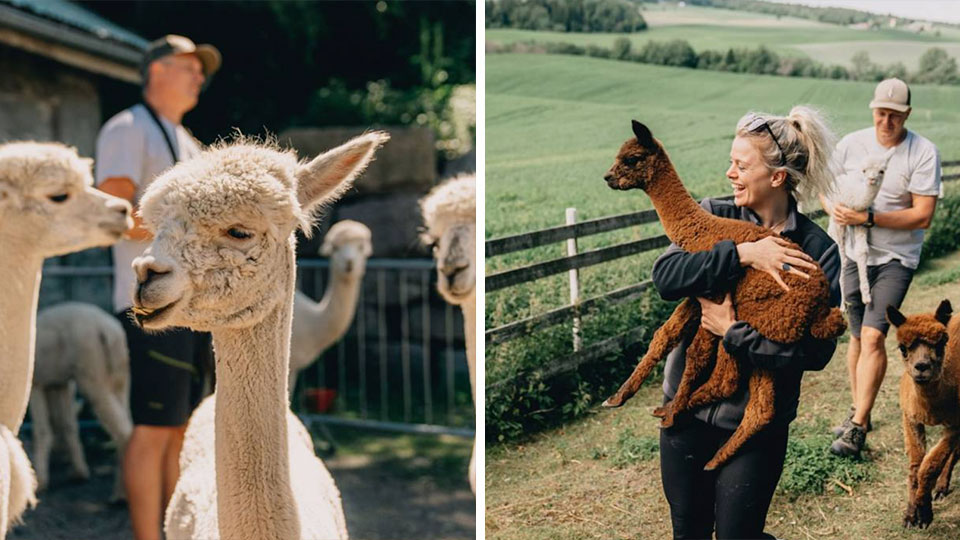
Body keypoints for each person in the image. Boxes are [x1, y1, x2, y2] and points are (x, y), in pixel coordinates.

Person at [651, 106, 841, 539]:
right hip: (685, 410)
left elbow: (815, 353)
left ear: (776, 177)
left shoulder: (818, 249)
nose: (729, 173)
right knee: (689, 531)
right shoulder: (710, 214)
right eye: (731, 162)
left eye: (741, 165)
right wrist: (742, 254)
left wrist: (733, 334)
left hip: (755, 425)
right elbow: (666, 278)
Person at [95, 35, 221, 540]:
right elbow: (115, 212)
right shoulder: (127, 129)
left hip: (188, 307)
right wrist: (191, 228)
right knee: (152, 429)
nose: (198, 76)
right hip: (148, 304)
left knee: (181, 430)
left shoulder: (187, 140)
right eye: (189, 66)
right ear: (158, 70)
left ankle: (175, 531)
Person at [824, 78, 941, 457]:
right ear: (872, 110)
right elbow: (825, 185)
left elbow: (923, 215)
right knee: (857, 336)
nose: (886, 121)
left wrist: (869, 218)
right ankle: (861, 410)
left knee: (874, 336)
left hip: (895, 258)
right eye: (881, 113)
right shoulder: (851, 145)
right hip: (852, 254)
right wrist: (835, 211)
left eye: (894, 115)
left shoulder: (922, 152)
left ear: (906, 114)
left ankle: (856, 427)